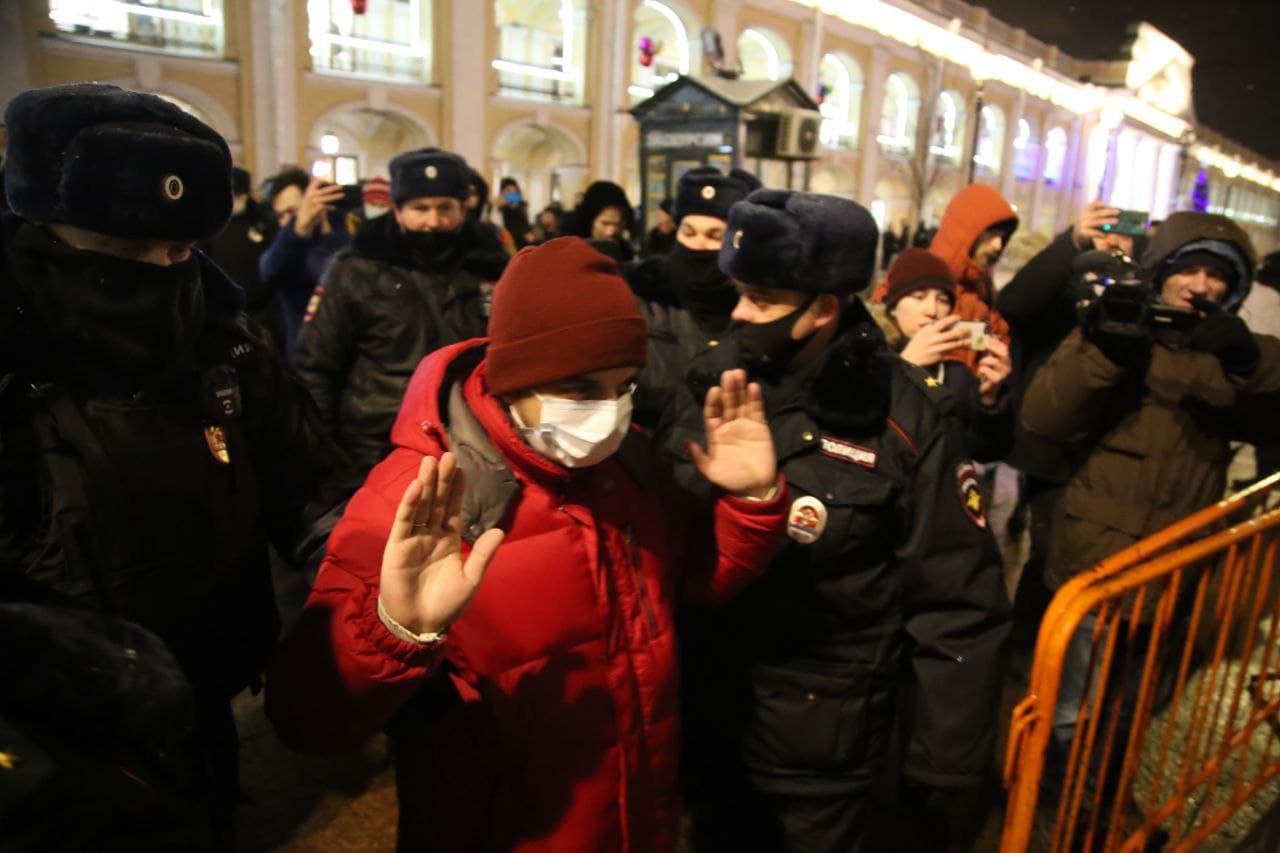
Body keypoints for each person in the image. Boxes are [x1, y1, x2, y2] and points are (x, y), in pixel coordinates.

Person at [265, 237, 788, 851]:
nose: (609, 413)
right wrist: (392, 631)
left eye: (623, 387)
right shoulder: (422, 499)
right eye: (580, 387)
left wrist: (752, 503)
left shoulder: (627, 467)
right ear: (515, 377)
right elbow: (310, 720)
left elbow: (691, 580)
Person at [0, 82, 348, 847]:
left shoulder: (222, 337)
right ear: (45, 229)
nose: (162, 268)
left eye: (182, 247)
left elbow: (308, 480)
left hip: (205, 694)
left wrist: (356, 554)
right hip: (44, 743)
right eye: (128, 249)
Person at [673, 190, 1010, 852]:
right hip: (709, 724)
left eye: (761, 298)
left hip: (821, 758)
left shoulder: (905, 420)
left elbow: (959, 605)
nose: (739, 311)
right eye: (738, 290)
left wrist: (942, 772)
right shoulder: (714, 378)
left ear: (824, 307)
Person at [1023, 212, 1280, 810]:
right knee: (1072, 707)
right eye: (1188, 268)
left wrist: (1246, 362)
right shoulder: (1118, 330)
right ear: (1161, 273)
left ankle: (1103, 798)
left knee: (1132, 707)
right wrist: (1104, 350)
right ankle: (1056, 801)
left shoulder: (1236, 351)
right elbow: (1043, 417)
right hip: (1097, 564)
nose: (1200, 285)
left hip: (1174, 572)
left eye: (1217, 275)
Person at [293, 147, 508, 479]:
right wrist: (325, 456)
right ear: (397, 210)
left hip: (471, 445)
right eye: (420, 208)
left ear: (464, 210)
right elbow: (316, 366)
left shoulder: (490, 266)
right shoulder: (357, 268)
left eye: (445, 208)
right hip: (376, 448)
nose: (433, 222)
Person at [995, 200, 1149, 648]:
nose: (1113, 243)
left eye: (1124, 234)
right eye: (1105, 231)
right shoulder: (1062, 290)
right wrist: (1073, 244)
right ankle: (1026, 658)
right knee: (1047, 560)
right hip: (1051, 452)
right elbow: (1015, 303)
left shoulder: (1139, 292)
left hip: (1107, 452)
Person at [624, 165, 762, 433]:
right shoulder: (641, 302)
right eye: (688, 232)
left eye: (714, 236)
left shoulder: (759, 314)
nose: (697, 245)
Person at [869, 247, 1013, 462]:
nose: (932, 310)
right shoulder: (863, 358)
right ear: (892, 307)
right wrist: (905, 366)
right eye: (919, 296)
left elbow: (985, 452)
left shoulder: (957, 375)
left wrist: (990, 401)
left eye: (943, 300)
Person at [874, 184, 1018, 375]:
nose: (998, 245)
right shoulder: (914, 273)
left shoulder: (985, 292)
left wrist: (989, 393)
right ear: (967, 231)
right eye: (991, 235)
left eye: (1003, 238)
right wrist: (907, 367)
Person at [258, 167, 357, 354]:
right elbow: (269, 270)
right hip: (304, 359)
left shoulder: (345, 237)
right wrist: (298, 229)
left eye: (292, 211)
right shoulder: (288, 244)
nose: (285, 222)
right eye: (280, 215)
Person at [199, 166, 284, 354]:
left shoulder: (262, 221)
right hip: (226, 316)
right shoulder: (210, 227)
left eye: (238, 195)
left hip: (264, 313)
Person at [563, 180, 635, 261]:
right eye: (605, 224)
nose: (611, 232)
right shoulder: (568, 251)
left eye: (618, 225)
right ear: (590, 221)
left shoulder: (625, 254)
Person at [496, 176, 535, 249]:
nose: (511, 193)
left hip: (520, 241)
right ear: (502, 191)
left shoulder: (521, 205)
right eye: (508, 190)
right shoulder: (498, 206)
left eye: (514, 191)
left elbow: (524, 222)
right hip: (505, 240)